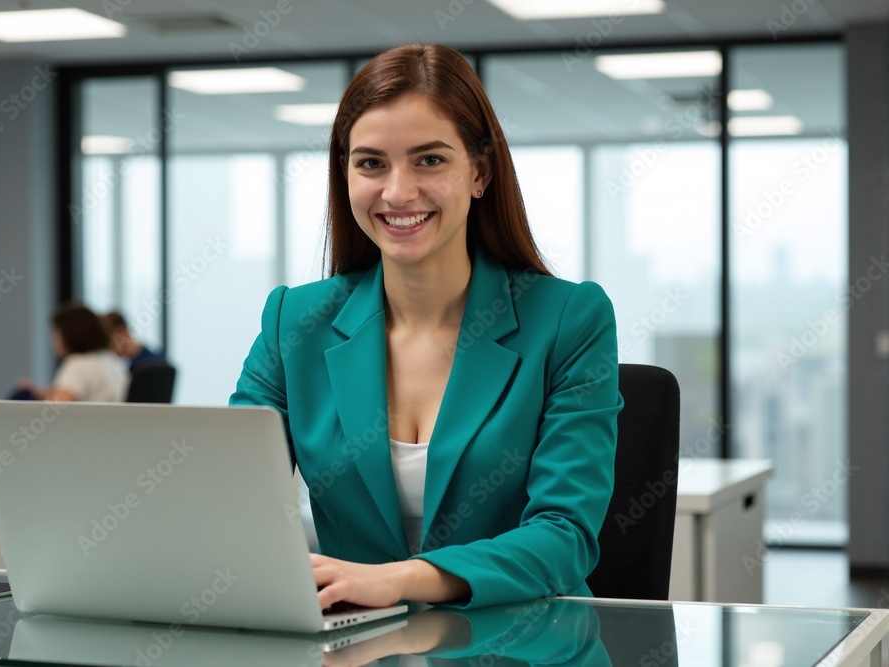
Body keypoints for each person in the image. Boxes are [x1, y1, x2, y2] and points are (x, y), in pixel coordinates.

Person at [230, 44, 623, 610]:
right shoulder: (295, 321)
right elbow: (230, 498)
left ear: (480, 171)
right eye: (370, 163)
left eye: (429, 160)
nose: (397, 192)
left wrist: (396, 580)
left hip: (520, 642)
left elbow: (564, 536)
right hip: (353, 645)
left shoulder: (568, 318)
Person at [16, 302, 129, 402]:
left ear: (70, 335)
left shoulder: (77, 364)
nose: (53, 340)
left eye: (56, 333)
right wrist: (38, 393)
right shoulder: (111, 360)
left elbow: (56, 406)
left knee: (20, 396)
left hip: (85, 425)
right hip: (107, 424)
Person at [101, 311, 166, 374]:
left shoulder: (139, 371)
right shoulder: (159, 357)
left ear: (122, 334)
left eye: (110, 341)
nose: (109, 349)